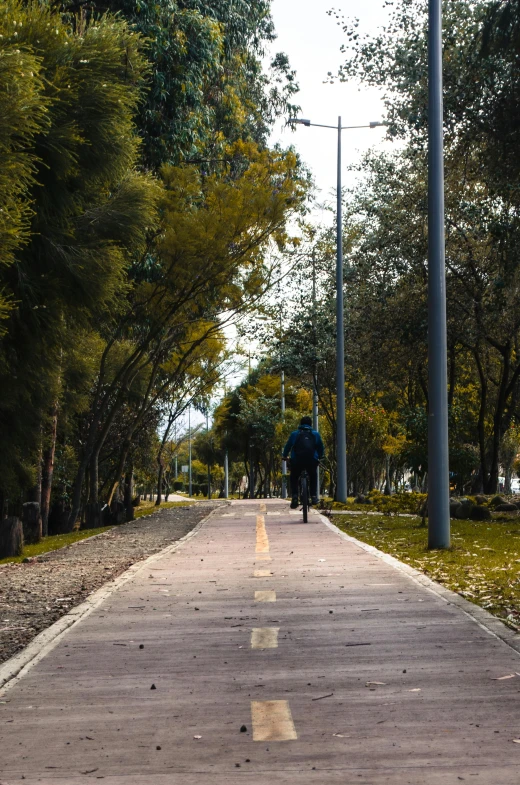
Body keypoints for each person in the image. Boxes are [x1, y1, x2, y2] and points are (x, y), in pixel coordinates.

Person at [282, 416, 324, 508]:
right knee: (313, 475)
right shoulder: (315, 434)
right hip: (311, 460)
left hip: (297, 461)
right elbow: (320, 447)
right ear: (310, 424)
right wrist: (320, 457)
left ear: (300, 424)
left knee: (294, 476)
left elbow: (288, 446)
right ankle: (313, 496)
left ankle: (295, 496)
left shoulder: (295, 434)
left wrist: (284, 456)